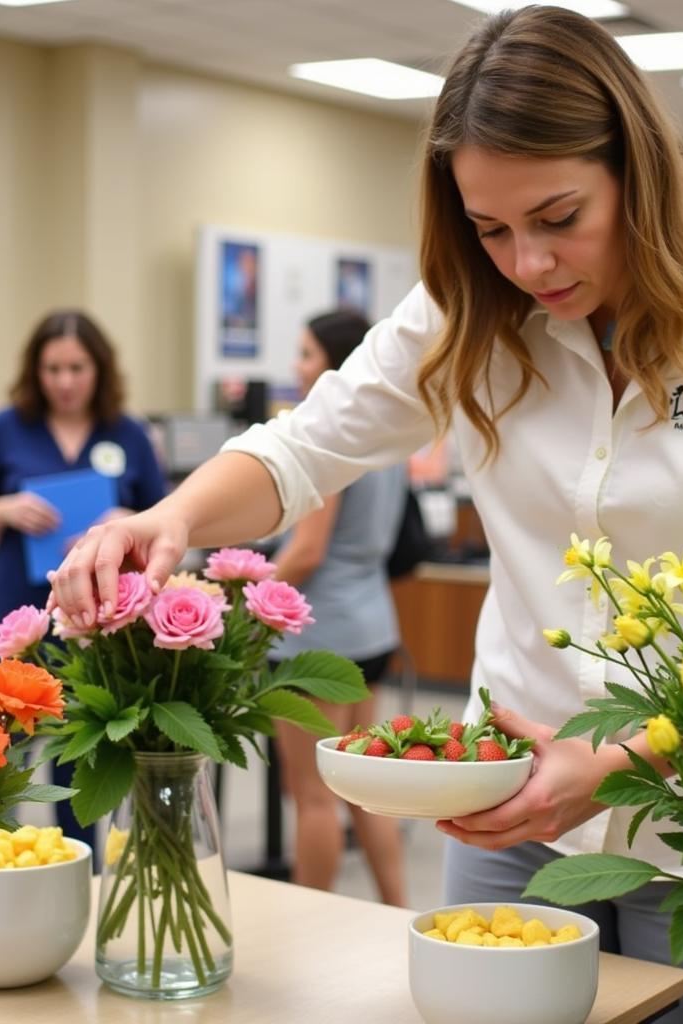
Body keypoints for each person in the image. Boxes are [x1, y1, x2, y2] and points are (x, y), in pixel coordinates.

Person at [47, 8, 683, 1018]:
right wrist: (166, 519)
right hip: (506, 802)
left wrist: (616, 764)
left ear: (638, 169)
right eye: (491, 228)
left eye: (558, 216)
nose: (527, 263)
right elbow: (307, 444)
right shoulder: (468, 308)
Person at [0, 309, 167, 842]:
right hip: (17, 613)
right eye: (52, 369)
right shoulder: (8, 427)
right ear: (35, 370)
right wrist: (8, 508)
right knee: (6, 751)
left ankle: (85, 871)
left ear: (99, 369)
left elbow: (164, 519)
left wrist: (124, 522)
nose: (65, 382)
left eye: (77, 367)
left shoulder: (128, 432)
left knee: (82, 753)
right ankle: (0, 863)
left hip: (97, 620)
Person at [270, 309, 408, 906]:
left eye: (305, 354)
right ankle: (400, 911)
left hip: (319, 638)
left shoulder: (327, 436)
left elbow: (306, 551)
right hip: (372, 626)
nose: (297, 368)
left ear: (335, 363)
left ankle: (309, 922)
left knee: (314, 794)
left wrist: (236, 595)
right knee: (366, 787)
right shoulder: (388, 434)